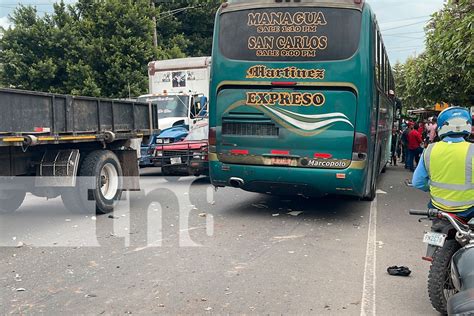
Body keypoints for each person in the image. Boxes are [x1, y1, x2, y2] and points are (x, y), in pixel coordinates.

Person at [412, 107, 474, 218]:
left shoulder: (429, 150)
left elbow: (417, 182)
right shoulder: (472, 150)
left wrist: (434, 188)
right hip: (468, 210)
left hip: (437, 209)